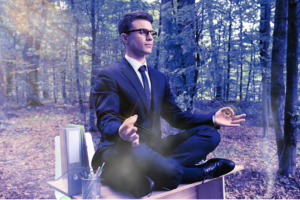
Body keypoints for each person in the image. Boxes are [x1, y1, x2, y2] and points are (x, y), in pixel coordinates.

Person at [91, 10, 246, 198]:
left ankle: (155, 172)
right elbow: (106, 119)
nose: (150, 37)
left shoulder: (159, 78)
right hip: (122, 150)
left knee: (210, 134)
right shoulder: (109, 75)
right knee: (148, 165)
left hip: (155, 149)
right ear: (125, 37)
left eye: (151, 32)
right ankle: (197, 173)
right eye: (142, 32)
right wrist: (121, 131)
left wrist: (213, 118)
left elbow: (177, 118)